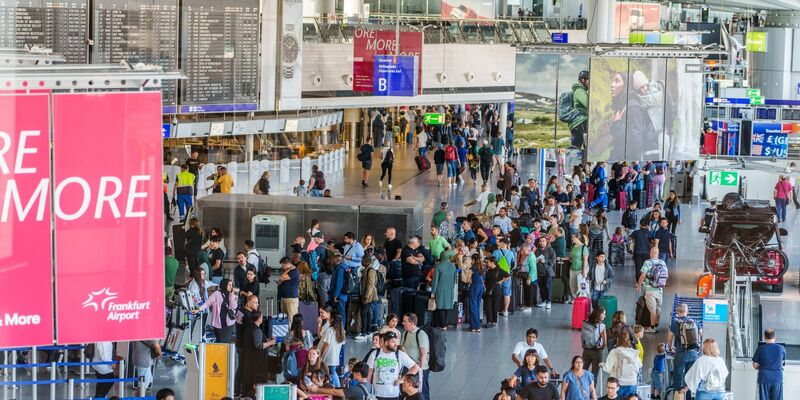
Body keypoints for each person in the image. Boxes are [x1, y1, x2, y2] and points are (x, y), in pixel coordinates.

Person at [366, 331, 420, 400]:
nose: (395, 344)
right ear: (386, 343)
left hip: (393, 395)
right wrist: (368, 389)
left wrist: (402, 379)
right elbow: (369, 372)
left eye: (396, 342)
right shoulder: (375, 353)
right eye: (393, 342)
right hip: (376, 394)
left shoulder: (400, 354)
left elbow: (415, 367)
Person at [667, 303, 703, 393]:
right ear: (687, 311)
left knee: (677, 377)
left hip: (680, 353)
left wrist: (670, 347)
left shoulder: (675, 323)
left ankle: (677, 396)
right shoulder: (695, 322)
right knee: (689, 379)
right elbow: (701, 335)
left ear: (677, 312)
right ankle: (688, 396)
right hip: (694, 353)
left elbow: (670, 337)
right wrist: (700, 347)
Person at [241, 311, 276, 397]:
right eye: (261, 317)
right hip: (257, 360)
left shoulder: (249, 328)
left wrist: (267, 340)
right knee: (256, 379)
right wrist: (271, 342)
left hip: (249, 358)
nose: (262, 318)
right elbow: (259, 345)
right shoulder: (256, 330)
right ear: (258, 319)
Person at [193, 278, 237, 343]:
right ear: (224, 285)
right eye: (229, 285)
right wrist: (198, 309)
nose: (231, 287)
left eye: (232, 285)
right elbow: (207, 303)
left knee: (226, 342)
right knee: (220, 341)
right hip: (218, 322)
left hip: (229, 322)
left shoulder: (232, 295)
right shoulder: (217, 294)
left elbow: (234, 306)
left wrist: (231, 295)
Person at [602, 331, 642, 397]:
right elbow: (639, 365)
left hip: (618, 383)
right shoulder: (633, 352)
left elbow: (608, 369)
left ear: (618, 340)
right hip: (632, 383)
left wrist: (602, 365)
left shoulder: (615, 352)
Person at [307, 361, 374, 399]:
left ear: (358, 374)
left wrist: (317, 389)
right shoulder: (372, 387)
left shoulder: (355, 389)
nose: (352, 375)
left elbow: (335, 392)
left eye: (353, 373)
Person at [401, 313, 430, 400]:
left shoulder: (421, 334)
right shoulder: (405, 333)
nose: (402, 323)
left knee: (422, 392)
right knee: (409, 391)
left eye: (405, 321)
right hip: (409, 368)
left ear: (411, 323)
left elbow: (423, 354)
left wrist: (420, 371)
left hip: (420, 369)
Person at [636, 246, 664, 331]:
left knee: (652, 310)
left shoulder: (647, 262)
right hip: (659, 289)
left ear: (651, 253)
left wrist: (639, 285)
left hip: (650, 290)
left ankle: (652, 329)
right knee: (658, 308)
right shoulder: (662, 262)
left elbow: (642, 276)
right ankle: (656, 325)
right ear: (658, 254)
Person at [752, 329, 785, 400]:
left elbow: (754, 365)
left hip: (764, 378)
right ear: (775, 337)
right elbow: (782, 363)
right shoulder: (781, 348)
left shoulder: (760, 348)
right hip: (777, 379)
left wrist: (760, 366)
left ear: (764, 337)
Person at [356, 254, 382, 340]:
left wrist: (366, 297)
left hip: (369, 296)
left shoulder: (371, 271)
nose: (361, 262)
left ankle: (363, 332)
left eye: (362, 260)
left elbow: (370, 285)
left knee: (363, 314)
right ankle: (368, 331)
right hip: (365, 295)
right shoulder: (365, 270)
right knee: (367, 313)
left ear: (367, 261)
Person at [318, 312, 346, 387]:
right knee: (333, 373)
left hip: (328, 357)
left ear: (332, 320)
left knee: (331, 374)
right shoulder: (341, 331)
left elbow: (326, 345)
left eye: (329, 317)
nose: (328, 319)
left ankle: (334, 388)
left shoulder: (330, 330)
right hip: (334, 357)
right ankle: (338, 388)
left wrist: (321, 356)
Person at [431, 249, 457, 329]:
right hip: (450, 289)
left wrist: (433, 291)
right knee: (446, 307)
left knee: (440, 307)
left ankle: (443, 325)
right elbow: (454, 279)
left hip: (440, 289)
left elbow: (435, 281)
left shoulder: (438, 266)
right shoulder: (453, 266)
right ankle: (444, 323)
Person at [484, 256, 510, 328]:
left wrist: (501, 281)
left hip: (496, 289)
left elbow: (508, 276)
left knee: (495, 305)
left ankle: (494, 321)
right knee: (488, 306)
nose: (487, 263)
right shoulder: (488, 270)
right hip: (488, 289)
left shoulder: (499, 270)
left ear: (492, 263)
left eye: (488, 262)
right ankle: (489, 321)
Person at [582, 307, 607, 376]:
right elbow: (604, 343)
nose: (605, 316)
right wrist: (600, 349)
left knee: (583, 371)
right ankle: (592, 383)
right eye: (603, 314)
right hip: (597, 351)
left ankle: (581, 383)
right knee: (594, 374)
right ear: (599, 314)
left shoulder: (586, 322)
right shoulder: (601, 326)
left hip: (586, 350)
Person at [569, 70, 590, 149]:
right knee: (576, 147)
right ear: (583, 80)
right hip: (580, 122)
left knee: (582, 146)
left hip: (580, 123)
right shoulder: (579, 91)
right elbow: (588, 104)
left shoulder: (582, 91)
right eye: (589, 80)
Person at [535, 237, 556, 309]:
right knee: (541, 287)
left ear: (546, 242)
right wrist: (536, 260)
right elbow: (534, 259)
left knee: (548, 287)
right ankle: (544, 301)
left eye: (543, 241)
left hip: (548, 271)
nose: (542, 242)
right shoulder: (537, 250)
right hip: (539, 271)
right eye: (540, 241)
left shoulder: (550, 250)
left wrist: (545, 261)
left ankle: (549, 302)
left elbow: (553, 260)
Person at [467, 253, 486, 332]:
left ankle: (474, 327)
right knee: (477, 306)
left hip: (474, 287)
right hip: (481, 287)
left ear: (473, 260)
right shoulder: (482, 267)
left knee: (473, 307)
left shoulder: (472, 268)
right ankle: (476, 325)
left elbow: (467, 280)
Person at [568, 234, 589, 304]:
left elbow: (585, 260)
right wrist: (562, 258)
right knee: (572, 284)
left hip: (580, 269)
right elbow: (570, 257)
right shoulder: (573, 246)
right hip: (573, 268)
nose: (572, 239)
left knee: (580, 285)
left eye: (573, 238)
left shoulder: (584, 247)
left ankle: (580, 298)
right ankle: (575, 298)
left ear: (578, 238)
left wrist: (583, 271)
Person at [278, 256, 300, 322]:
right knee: (284, 318)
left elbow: (282, 277)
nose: (282, 267)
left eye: (283, 265)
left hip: (291, 298)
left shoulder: (294, 271)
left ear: (288, 264)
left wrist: (289, 269)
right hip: (284, 297)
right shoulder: (286, 271)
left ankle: (292, 329)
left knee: (291, 318)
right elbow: (280, 280)